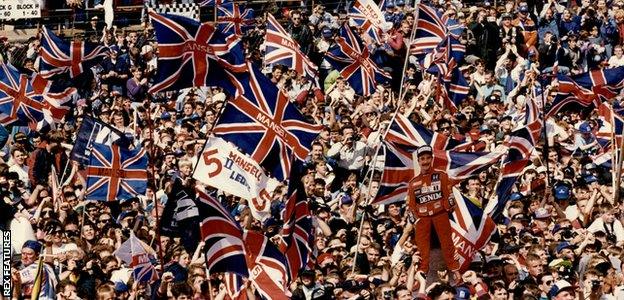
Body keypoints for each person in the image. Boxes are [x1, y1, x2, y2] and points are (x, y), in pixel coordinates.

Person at [406, 145, 459, 277]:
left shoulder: (441, 176)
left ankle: (455, 270)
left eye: (428, 158)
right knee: (422, 246)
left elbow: (450, 197)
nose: (425, 161)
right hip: (422, 219)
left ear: (432, 159)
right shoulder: (413, 183)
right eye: (422, 159)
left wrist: (446, 208)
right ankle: (422, 271)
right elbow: (410, 206)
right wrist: (416, 222)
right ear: (418, 161)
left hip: (440, 215)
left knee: (447, 243)